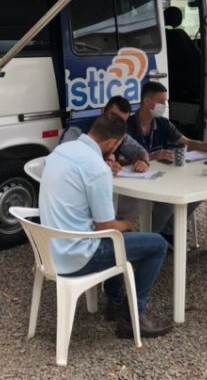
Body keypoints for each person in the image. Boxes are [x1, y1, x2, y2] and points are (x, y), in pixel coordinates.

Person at [39, 113, 173, 338]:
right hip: (77, 256)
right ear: (112, 143)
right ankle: (132, 317)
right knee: (155, 244)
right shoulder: (97, 168)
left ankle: (116, 301)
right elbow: (106, 227)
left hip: (49, 250)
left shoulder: (60, 152)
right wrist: (129, 224)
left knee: (117, 242)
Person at [125, 81, 207, 244]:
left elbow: (187, 142)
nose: (165, 105)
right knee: (168, 202)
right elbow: (120, 158)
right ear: (147, 101)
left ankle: (167, 233)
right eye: (161, 101)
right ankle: (149, 239)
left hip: (161, 177)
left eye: (166, 101)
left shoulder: (162, 123)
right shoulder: (128, 125)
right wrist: (152, 157)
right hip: (136, 180)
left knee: (198, 191)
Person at [60, 95, 150, 223]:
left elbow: (141, 151)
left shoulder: (120, 134)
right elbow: (66, 162)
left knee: (135, 204)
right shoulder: (76, 131)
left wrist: (143, 161)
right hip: (80, 198)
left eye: (120, 121)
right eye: (112, 117)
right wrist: (102, 166)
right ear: (102, 112)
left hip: (109, 191)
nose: (114, 124)